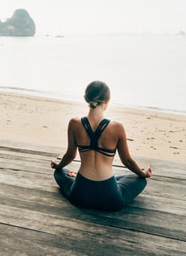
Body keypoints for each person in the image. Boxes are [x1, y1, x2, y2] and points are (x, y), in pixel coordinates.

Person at [50, 80, 152, 211]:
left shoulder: (74, 123)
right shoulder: (117, 127)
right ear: (106, 101)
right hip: (110, 199)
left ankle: (76, 176)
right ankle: (114, 181)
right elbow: (127, 160)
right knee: (139, 180)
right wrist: (143, 173)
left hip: (80, 195)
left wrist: (58, 166)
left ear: (86, 99)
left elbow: (70, 155)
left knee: (59, 173)